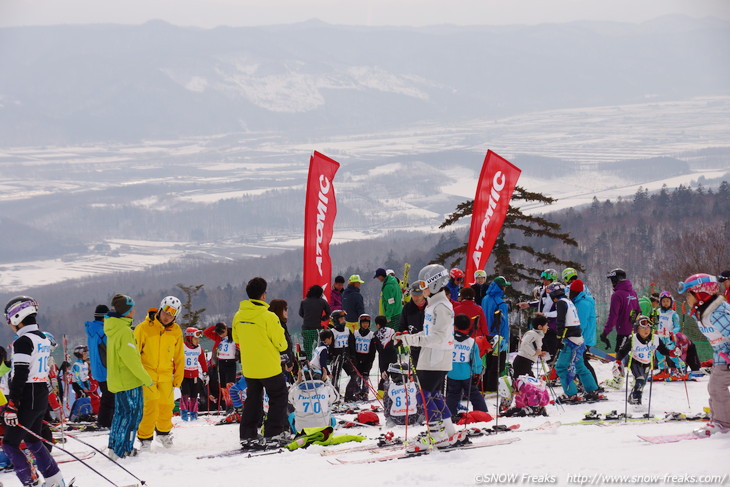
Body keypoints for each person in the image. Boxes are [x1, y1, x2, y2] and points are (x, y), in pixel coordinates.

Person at [398, 264, 466, 452]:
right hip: (431, 356)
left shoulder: (442, 306)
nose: (421, 288)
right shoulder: (434, 304)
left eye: (424, 284)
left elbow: (438, 336)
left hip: (436, 356)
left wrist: (411, 339)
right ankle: (449, 432)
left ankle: (436, 435)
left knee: (424, 396)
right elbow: (430, 331)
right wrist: (407, 336)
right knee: (434, 395)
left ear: (435, 284)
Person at [2, 296, 67, 487]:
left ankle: (32, 483)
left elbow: (20, 373)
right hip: (39, 394)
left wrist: (12, 405)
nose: (9, 325)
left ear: (17, 317)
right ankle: (55, 480)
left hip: (27, 393)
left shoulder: (23, 341)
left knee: (9, 444)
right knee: (33, 440)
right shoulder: (43, 338)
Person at [233, 277, 289, 448]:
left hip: (250, 367)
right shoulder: (269, 316)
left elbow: (236, 338)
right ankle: (274, 432)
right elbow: (282, 343)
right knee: (278, 396)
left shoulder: (239, 315)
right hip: (269, 366)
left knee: (253, 399)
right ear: (263, 295)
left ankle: (248, 434)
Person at [677, 274, 730, 436]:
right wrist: (713, 360)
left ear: (700, 295)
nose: (686, 298)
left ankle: (723, 424)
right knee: (714, 387)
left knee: (716, 387)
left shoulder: (718, 313)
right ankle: (719, 421)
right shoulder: (705, 312)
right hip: (722, 357)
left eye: (689, 294)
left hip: (727, 358)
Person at [105, 294, 152, 460]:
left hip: (118, 380)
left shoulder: (114, 328)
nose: (134, 311)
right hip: (129, 381)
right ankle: (124, 448)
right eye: (132, 308)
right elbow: (132, 360)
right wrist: (147, 379)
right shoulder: (124, 331)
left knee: (121, 414)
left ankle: (115, 446)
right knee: (132, 415)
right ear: (127, 311)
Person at [135, 296, 185, 450]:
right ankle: (145, 438)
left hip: (165, 374)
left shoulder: (176, 331)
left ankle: (163, 433)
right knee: (151, 404)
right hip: (146, 373)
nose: (167, 316)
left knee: (166, 405)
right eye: (166, 311)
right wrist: (137, 375)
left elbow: (179, 356)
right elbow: (135, 353)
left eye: (172, 313)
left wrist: (178, 378)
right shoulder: (143, 328)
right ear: (160, 309)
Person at [550, 283, 600, 403]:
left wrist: (558, 339)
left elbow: (560, 322)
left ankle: (571, 394)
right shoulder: (569, 301)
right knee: (579, 366)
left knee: (561, 367)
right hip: (578, 338)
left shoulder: (561, 303)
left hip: (570, 340)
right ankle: (592, 390)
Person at [615, 315, 673, 405]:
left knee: (642, 384)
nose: (646, 330)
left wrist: (671, 353)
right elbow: (623, 351)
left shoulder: (655, 338)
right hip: (635, 362)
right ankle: (636, 399)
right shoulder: (633, 339)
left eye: (648, 328)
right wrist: (618, 361)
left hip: (647, 363)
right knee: (640, 380)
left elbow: (663, 350)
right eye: (643, 328)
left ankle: (634, 397)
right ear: (637, 329)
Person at [445, 314, 487, 417]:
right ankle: (481, 412)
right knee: (473, 393)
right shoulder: (471, 342)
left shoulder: (449, 340)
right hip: (467, 373)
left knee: (453, 394)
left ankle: (450, 414)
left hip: (452, 372)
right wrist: (477, 372)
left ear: (454, 326)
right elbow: (476, 360)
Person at [85, 304, 114, 428]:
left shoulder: (92, 331)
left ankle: (104, 421)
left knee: (107, 396)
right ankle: (105, 422)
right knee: (110, 398)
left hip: (97, 369)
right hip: (106, 368)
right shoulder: (103, 331)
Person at [518, 269, 559, 357]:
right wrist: (528, 304)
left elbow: (559, 312)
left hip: (551, 327)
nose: (544, 281)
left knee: (552, 351)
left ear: (552, 280)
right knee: (542, 349)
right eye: (543, 279)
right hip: (543, 326)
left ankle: (554, 368)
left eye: (546, 280)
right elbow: (541, 303)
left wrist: (545, 315)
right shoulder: (545, 291)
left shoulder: (557, 293)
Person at [600, 268, 641, 355]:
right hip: (635, 333)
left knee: (620, 361)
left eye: (612, 280)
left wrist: (605, 333)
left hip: (623, 333)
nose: (612, 283)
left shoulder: (617, 295)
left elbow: (613, 316)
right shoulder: (633, 293)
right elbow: (639, 312)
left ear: (616, 280)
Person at [482, 276, 511, 392]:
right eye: (504, 286)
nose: (505, 288)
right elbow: (503, 324)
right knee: (497, 364)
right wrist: (505, 339)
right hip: (498, 337)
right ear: (500, 287)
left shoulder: (485, 299)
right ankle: (492, 387)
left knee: (486, 362)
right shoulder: (501, 303)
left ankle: (483, 385)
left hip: (486, 336)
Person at [569, 279, 599, 384]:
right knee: (580, 362)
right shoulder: (579, 301)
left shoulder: (582, 304)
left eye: (570, 291)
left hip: (583, 338)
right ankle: (587, 384)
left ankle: (592, 384)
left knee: (582, 363)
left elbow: (581, 324)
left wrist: (575, 338)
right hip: (584, 338)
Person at [203, 321, 237, 409]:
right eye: (219, 333)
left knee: (230, 384)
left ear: (226, 329)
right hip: (221, 362)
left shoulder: (234, 336)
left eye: (222, 332)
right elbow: (206, 332)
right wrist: (216, 326)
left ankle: (232, 405)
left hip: (231, 362)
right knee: (223, 386)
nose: (221, 335)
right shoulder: (218, 337)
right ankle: (227, 405)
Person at [653, 291, 686, 379]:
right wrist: (654, 329)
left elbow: (677, 326)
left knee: (672, 353)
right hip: (659, 337)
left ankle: (681, 369)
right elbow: (654, 323)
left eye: (667, 301)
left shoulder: (673, 314)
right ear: (660, 302)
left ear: (671, 302)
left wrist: (671, 332)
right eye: (663, 301)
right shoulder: (657, 312)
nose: (665, 303)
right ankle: (663, 371)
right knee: (659, 354)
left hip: (669, 338)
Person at [345, 314, 377, 401]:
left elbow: (373, 350)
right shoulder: (355, 333)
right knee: (357, 376)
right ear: (360, 323)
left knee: (365, 376)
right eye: (363, 323)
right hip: (357, 357)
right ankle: (357, 393)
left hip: (367, 358)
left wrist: (370, 361)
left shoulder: (371, 335)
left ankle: (365, 393)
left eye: (367, 323)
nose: (365, 325)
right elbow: (352, 346)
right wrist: (352, 357)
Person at [382, 362, 422, 426]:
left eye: (393, 374)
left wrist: (386, 379)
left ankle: (389, 420)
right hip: (414, 418)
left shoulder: (389, 387)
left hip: (396, 419)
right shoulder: (415, 385)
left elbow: (386, 403)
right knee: (420, 398)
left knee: (387, 398)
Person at [181, 327, 208, 421]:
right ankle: (184, 414)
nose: (198, 341)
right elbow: (175, 360)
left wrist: (205, 373)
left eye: (198, 339)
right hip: (184, 375)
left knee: (194, 395)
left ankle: (193, 414)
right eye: (195, 338)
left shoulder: (199, 348)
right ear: (189, 338)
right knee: (185, 394)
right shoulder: (182, 347)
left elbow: (203, 362)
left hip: (195, 375)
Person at [299, 285, 332, 359]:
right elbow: (329, 312)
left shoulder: (304, 301)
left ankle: (308, 362)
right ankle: (318, 361)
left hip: (306, 328)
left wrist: (307, 317)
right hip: (317, 328)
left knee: (307, 347)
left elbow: (300, 313)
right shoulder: (322, 302)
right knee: (319, 347)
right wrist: (323, 318)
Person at [329, 310, 356, 399]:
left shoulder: (347, 330)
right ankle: (335, 396)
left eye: (344, 318)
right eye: (341, 319)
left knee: (353, 375)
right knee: (335, 378)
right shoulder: (332, 332)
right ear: (336, 320)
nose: (344, 320)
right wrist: (331, 356)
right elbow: (330, 346)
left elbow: (352, 344)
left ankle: (349, 395)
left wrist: (352, 356)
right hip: (337, 357)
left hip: (346, 356)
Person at [399, 282, 427, 365]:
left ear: (424, 294)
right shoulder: (408, 308)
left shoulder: (430, 306)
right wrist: (403, 334)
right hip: (414, 346)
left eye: (418, 295)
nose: (416, 298)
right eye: (414, 295)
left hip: (428, 346)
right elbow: (402, 325)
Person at [374, 314, 397, 396]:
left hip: (383, 357)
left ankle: (381, 393)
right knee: (395, 374)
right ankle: (396, 392)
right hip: (392, 355)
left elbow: (376, 347)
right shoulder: (392, 330)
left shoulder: (376, 333)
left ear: (377, 324)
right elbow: (396, 342)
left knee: (384, 375)